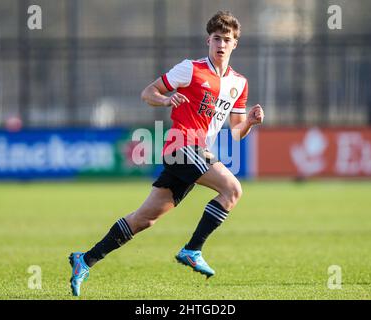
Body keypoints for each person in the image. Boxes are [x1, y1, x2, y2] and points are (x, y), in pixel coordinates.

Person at [69, 10, 264, 296]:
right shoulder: (191, 69)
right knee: (232, 189)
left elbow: (235, 133)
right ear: (208, 41)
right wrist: (166, 99)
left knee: (144, 219)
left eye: (227, 40)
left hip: (197, 152)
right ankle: (192, 250)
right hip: (181, 146)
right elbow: (148, 92)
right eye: (216, 38)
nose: (221, 44)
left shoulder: (239, 84)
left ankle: (84, 260)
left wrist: (249, 121)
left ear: (235, 44)